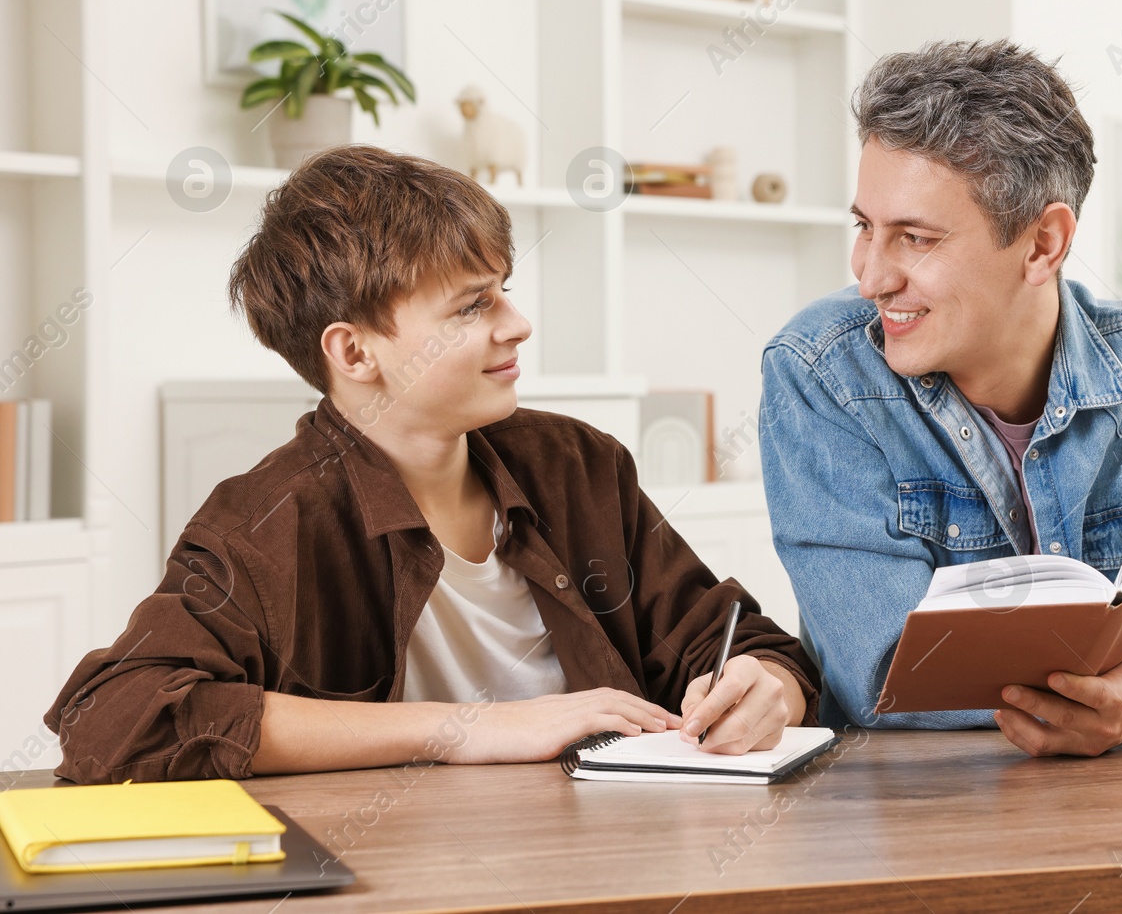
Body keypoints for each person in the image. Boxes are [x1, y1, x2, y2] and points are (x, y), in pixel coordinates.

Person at [46, 145, 816, 783]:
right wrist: (466, 728)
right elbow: (117, 720)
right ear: (354, 351)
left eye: (504, 291)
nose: (517, 324)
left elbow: (753, 648)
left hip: (612, 862)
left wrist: (765, 691)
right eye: (471, 306)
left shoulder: (580, 465)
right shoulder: (265, 520)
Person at [760, 40, 1122, 759]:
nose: (870, 276)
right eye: (865, 228)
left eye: (914, 238)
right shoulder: (821, 375)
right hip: (927, 822)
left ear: (1043, 243)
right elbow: (886, 675)